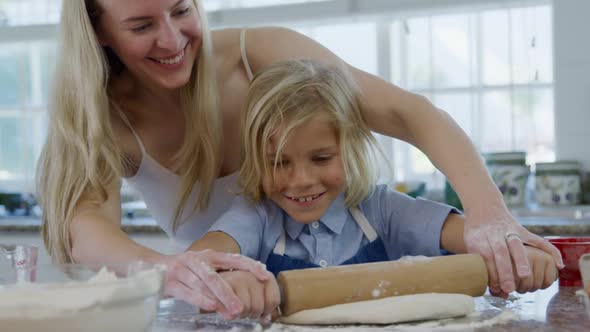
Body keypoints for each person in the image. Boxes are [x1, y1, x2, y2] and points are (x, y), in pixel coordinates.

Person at [36, 0, 562, 318]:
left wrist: (490, 218)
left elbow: (408, 113)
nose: (173, 40)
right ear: (99, 30)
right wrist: (179, 271)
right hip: (235, 296)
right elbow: (86, 229)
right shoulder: (100, 114)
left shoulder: (260, 54)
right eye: (141, 25)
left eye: (181, 10)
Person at [190, 59, 558, 319]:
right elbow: (201, 261)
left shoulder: (381, 210)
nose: (300, 179)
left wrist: (519, 256)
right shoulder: (257, 218)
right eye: (279, 162)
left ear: (351, 149)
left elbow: (478, 239)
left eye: (321, 158)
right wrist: (228, 277)